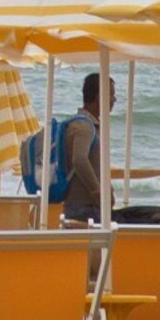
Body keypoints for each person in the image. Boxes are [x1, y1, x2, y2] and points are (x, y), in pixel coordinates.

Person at [54, 71, 108, 224]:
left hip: (82, 206)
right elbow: (79, 159)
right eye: (111, 95)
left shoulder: (85, 125)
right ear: (100, 97)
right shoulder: (84, 126)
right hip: (83, 207)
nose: (114, 100)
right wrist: (97, 192)